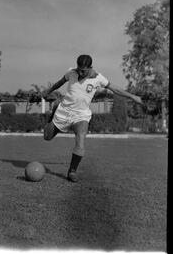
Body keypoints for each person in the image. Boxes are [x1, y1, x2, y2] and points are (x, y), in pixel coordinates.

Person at [42, 54, 143, 182]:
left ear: (90, 68)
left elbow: (115, 88)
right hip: (64, 111)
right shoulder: (71, 73)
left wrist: (132, 96)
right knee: (47, 137)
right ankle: (55, 109)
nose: (80, 72)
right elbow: (59, 83)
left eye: (83, 70)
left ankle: (72, 171)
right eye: (78, 69)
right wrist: (48, 90)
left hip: (81, 115)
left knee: (81, 139)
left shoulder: (98, 78)